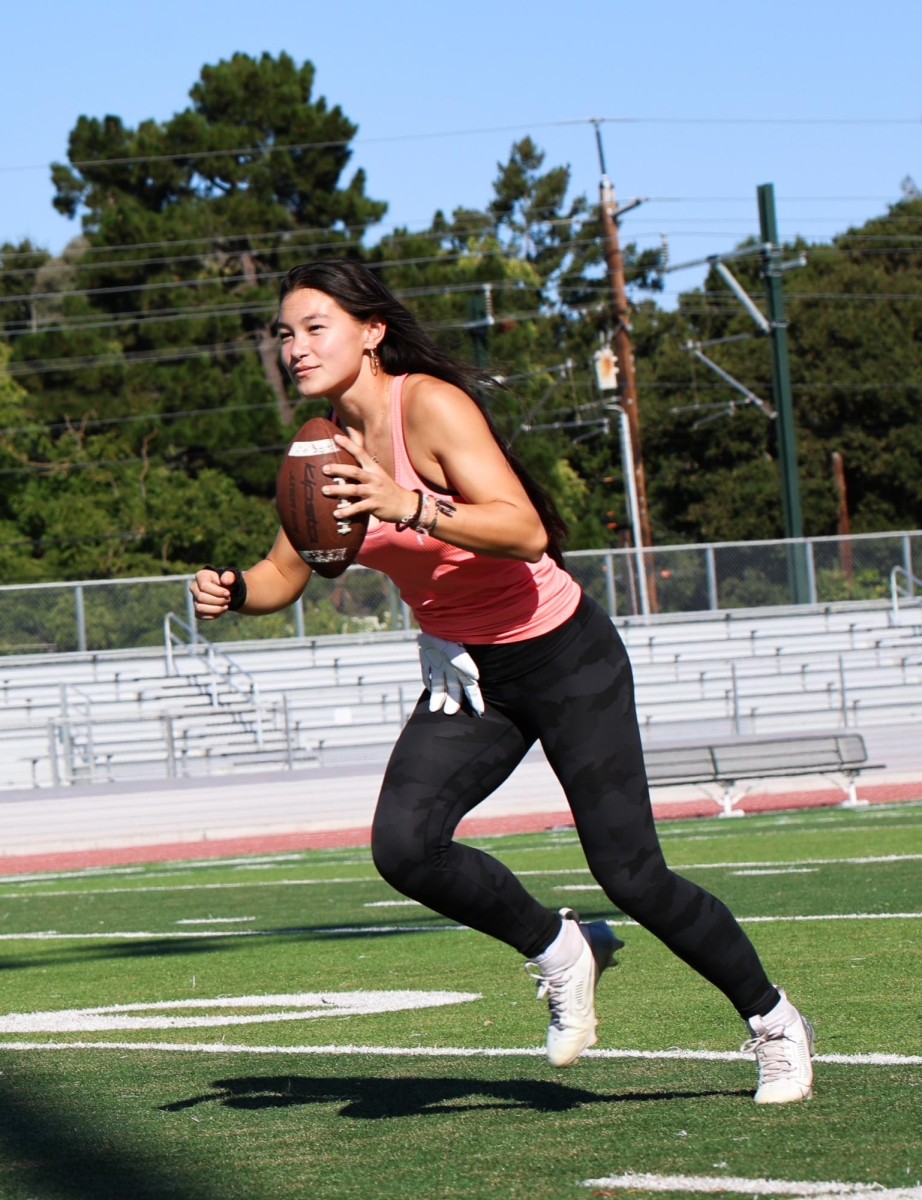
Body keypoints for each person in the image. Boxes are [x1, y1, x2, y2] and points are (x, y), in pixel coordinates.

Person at [190, 259, 815, 1105]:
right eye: (284, 334)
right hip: (471, 670)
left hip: (564, 655)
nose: (295, 348)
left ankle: (774, 1022)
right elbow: (284, 570)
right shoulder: (318, 445)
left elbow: (522, 530)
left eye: (314, 328)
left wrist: (406, 504)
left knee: (632, 876)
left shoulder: (432, 406)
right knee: (405, 848)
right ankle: (559, 949)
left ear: (371, 331)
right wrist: (232, 590)